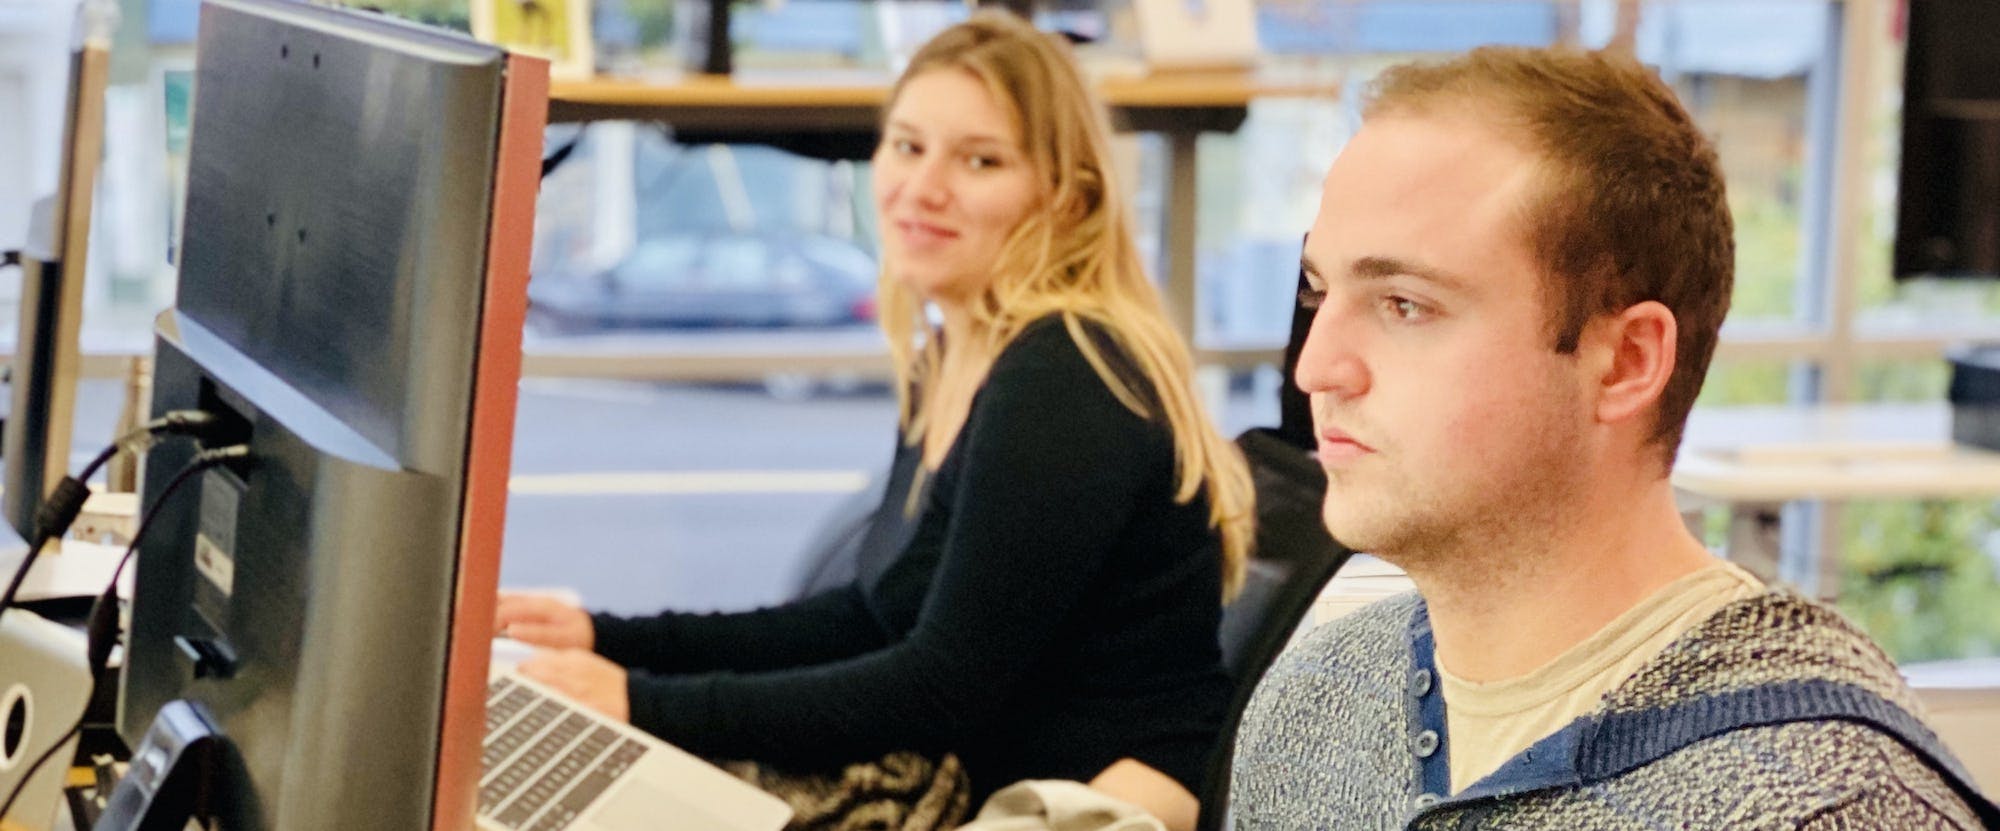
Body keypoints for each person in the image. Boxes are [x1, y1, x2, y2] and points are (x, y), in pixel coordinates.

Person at [497, 13, 1255, 829]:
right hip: (974, 760)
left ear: (1065, 197)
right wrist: (607, 638)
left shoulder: (1063, 374)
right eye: (906, 145)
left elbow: (935, 688)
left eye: (980, 160)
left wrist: (641, 700)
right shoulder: (956, 351)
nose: (922, 187)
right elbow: (866, 614)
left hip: (1083, 794)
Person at [1229, 46, 2000, 829]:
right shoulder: (1315, 698)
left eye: (1405, 304)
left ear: (1627, 363)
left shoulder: (1822, 807)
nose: (1317, 367)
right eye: (1319, 291)